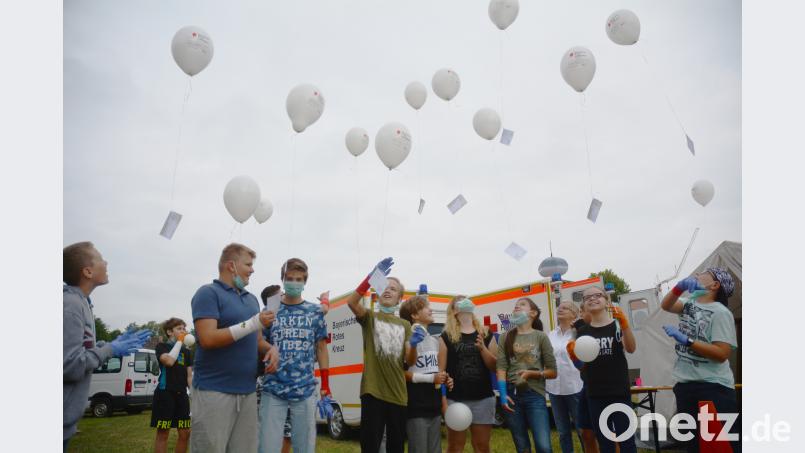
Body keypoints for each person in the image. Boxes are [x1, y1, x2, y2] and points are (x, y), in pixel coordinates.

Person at [190, 243, 279, 453]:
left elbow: (256, 340)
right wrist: (253, 323)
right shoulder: (208, 293)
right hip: (213, 391)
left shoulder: (252, 300)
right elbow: (207, 338)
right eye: (248, 264)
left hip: (247, 392)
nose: (252, 269)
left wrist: (271, 349)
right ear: (231, 266)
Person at [63, 242, 151, 451]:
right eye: (101, 258)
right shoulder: (70, 306)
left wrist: (109, 344)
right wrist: (111, 350)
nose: (106, 262)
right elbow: (69, 365)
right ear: (88, 271)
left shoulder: (83, 303)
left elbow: (81, 348)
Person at [344, 257, 419, 453]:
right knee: (370, 446)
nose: (388, 289)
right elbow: (351, 302)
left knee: (396, 447)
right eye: (384, 285)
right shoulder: (370, 317)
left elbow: (409, 361)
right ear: (378, 292)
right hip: (372, 391)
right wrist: (371, 277)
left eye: (393, 289)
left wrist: (414, 345)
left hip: (398, 394)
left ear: (399, 298)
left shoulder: (405, 325)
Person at [660, 269, 740, 452]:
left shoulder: (721, 312)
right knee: (693, 445)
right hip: (685, 386)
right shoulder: (688, 304)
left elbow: (722, 354)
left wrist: (688, 341)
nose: (697, 276)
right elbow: (666, 305)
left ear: (715, 285)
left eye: (704, 273)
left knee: (721, 446)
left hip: (713, 387)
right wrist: (678, 288)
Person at [259, 258, 330, 453]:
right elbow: (259, 341)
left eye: (299, 279)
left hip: (305, 391)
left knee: (304, 448)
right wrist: (268, 349)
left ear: (305, 281)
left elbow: (322, 348)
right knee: (267, 448)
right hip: (273, 389)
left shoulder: (315, 312)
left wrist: (325, 385)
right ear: (282, 279)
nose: (294, 282)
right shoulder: (270, 309)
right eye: (290, 278)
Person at [568, 286, 637, 453]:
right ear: (584, 305)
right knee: (605, 443)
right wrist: (574, 356)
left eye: (597, 295)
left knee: (626, 442)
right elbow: (582, 366)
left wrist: (625, 324)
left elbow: (631, 348)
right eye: (587, 297)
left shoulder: (617, 325)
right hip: (595, 394)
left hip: (619, 392)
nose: (592, 298)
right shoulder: (582, 331)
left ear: (607, 300)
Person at [496, 298, 557, 453]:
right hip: (511, 395)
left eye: (522, 304)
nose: (516, 306)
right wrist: (503, 395)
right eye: (515, 305)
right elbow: (501, 368)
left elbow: (552, 371)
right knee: (522, 446)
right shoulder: (505, 337)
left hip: (534, 395)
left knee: (543, 446)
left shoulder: (541, 337)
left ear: (533, 313)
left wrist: (532, 373)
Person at [439, 296, 498, 453]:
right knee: (455, 447)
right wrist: (444, 401)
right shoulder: (445, 336)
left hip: (483, 398)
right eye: (458, 305)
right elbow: (441, 372)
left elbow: (496, 367)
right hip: (456, 399)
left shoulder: (485, 333)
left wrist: (482, 349)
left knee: (482, 446)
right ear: (453, 311)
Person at [399, 295, 453, 453]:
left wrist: (445, 378)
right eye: (425, 307)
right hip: (416, 406)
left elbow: (435, 371)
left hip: (434, 405)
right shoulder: (407, 338)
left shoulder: (434, 340)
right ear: (414, 315)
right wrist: (431, 378)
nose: (431, 309)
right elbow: (402, 373)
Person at [547, 301, 585, 453]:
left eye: (565, 308)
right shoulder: (551, 335)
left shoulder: (579, 333)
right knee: (563, 432)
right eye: (559, 308)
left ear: (574, 314)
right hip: (554, 389)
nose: (560, 309)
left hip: (575, 386)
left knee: (583, 429)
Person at [152, 318, 194, 453]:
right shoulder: (161, 347)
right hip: (165, 393)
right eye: (179, 329)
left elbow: (189, 375)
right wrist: (180, 341)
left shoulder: (186, 352)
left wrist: (192, 392)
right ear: (169, 332)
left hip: (181, 395)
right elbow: (169, 361)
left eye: (184, 328)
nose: (183, 331)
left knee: (185, 433)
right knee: (163, 433)